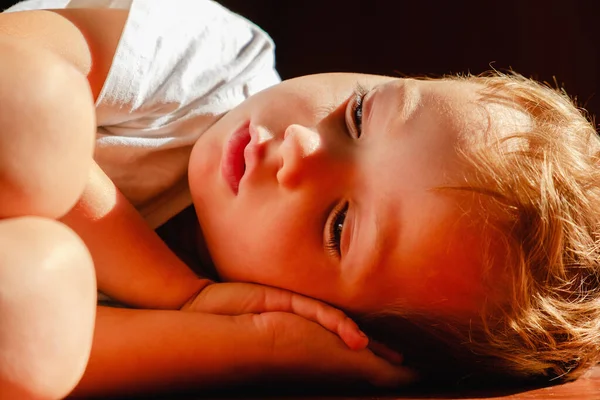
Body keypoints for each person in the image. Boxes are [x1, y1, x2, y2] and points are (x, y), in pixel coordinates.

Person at [1, 0, 599, 399]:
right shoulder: (216, 62)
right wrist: (174, 290)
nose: (299, 150)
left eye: (339, 226)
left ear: (337, 324)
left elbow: (55, 363)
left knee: (35, 322)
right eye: (359, 116)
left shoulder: (226, 330)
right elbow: (13, 69)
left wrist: (259, 342)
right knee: (37, 113)